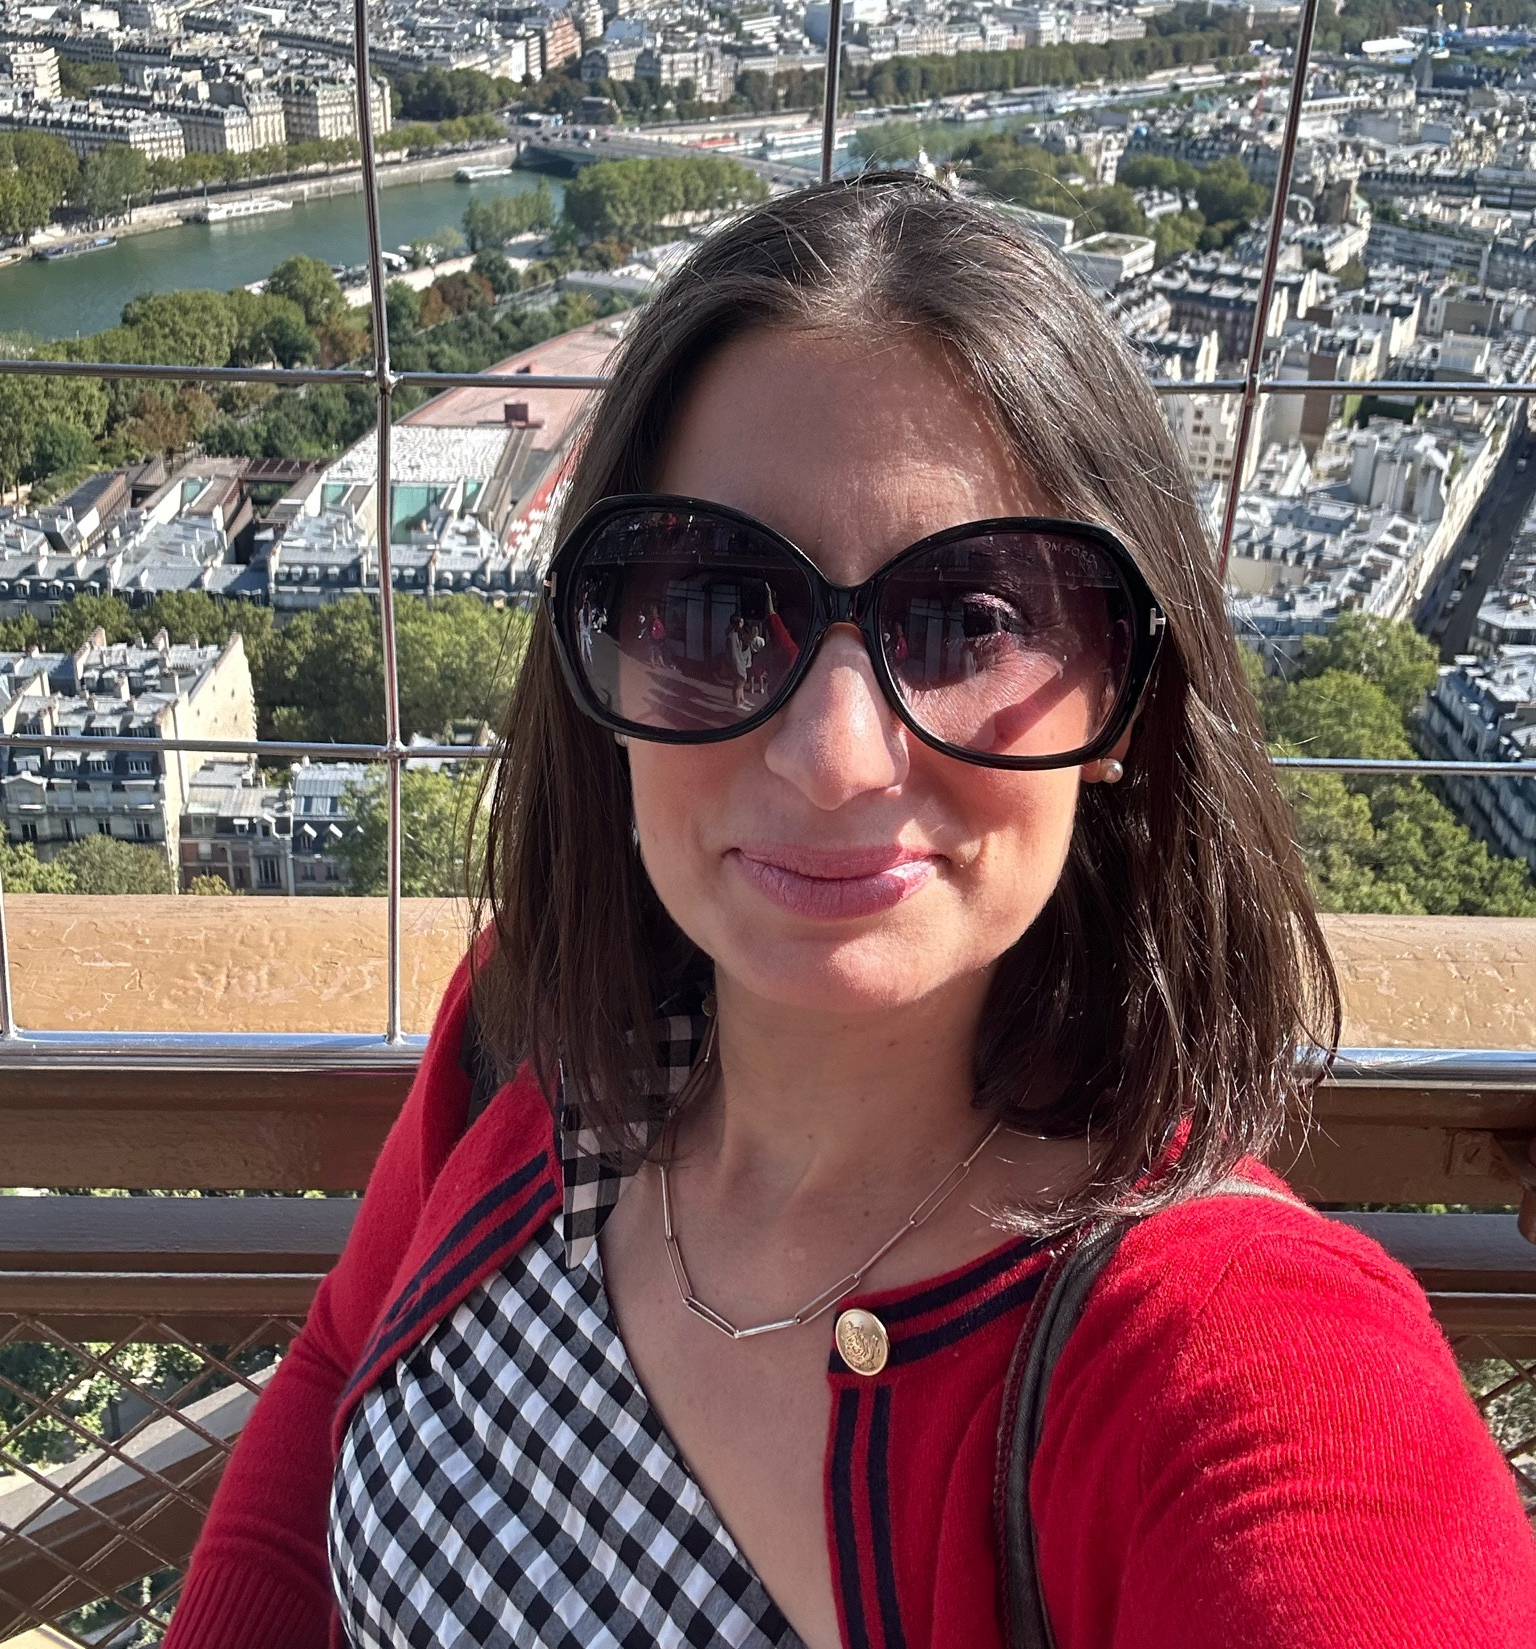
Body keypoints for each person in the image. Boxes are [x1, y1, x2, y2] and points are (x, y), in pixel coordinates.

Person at [168, 176, 1536, 1649]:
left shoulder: (1247, 1383)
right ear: (603, 660)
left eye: (968, 623)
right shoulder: (541, 1014)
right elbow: (326, 1390)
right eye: (709, 611)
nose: (832, 757)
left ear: (1132, 688)